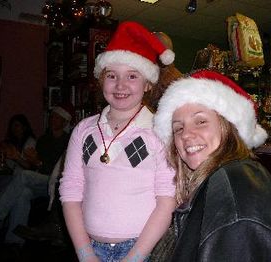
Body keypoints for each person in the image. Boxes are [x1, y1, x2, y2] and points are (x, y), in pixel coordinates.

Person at [153, 70, 271, 261]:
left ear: (228, 127)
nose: (186, 135)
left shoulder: (233, 191)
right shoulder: (223, 178)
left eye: (201, 121)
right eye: (178, 128)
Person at [59, 21, 176, 262]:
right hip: (90, 248)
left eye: (132, 76)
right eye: (112, 75)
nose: (120, 85)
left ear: (148, 84)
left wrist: (134, 257)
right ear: (101, 80)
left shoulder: (159, 132)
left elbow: (167, 201)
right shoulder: (83, 130)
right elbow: (70, 191)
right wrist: (84, 253)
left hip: (142, 250)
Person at [0, 105, 73, 247]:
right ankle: (14, 241)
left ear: (65, 122)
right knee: (23, 193)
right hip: (41, 181)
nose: (52, 119)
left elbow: (61, 171)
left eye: (56, 117)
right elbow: (34, 167)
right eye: (52, 116)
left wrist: (38, 162)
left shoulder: (69, 141)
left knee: (23, 176)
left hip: (56, 184)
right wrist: (29, 161)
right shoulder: (43, 140)